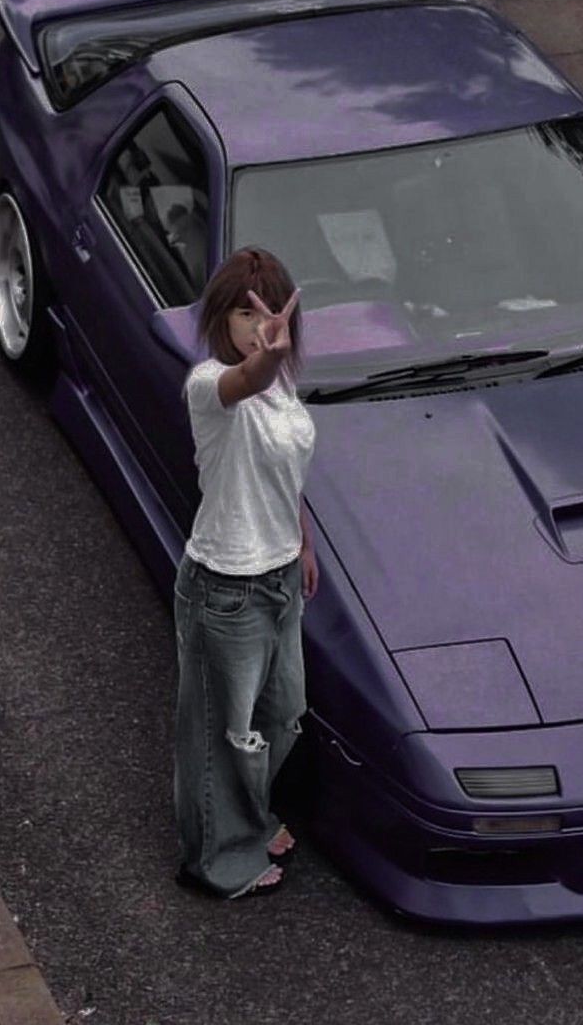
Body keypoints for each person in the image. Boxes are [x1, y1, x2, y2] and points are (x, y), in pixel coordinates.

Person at [173, 247, 318, 899]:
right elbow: (248, 379)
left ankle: (249, 818)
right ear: (221, 321)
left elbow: (286, 472)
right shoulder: (209, 385)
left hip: (279, 576)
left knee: (284, 713)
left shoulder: (284, 385)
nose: (259, 324)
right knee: (221, 734)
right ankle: (217, 860)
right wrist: (268, 355)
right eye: (244, 312)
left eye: (269, 310)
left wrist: (302, 542)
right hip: (225, 588)